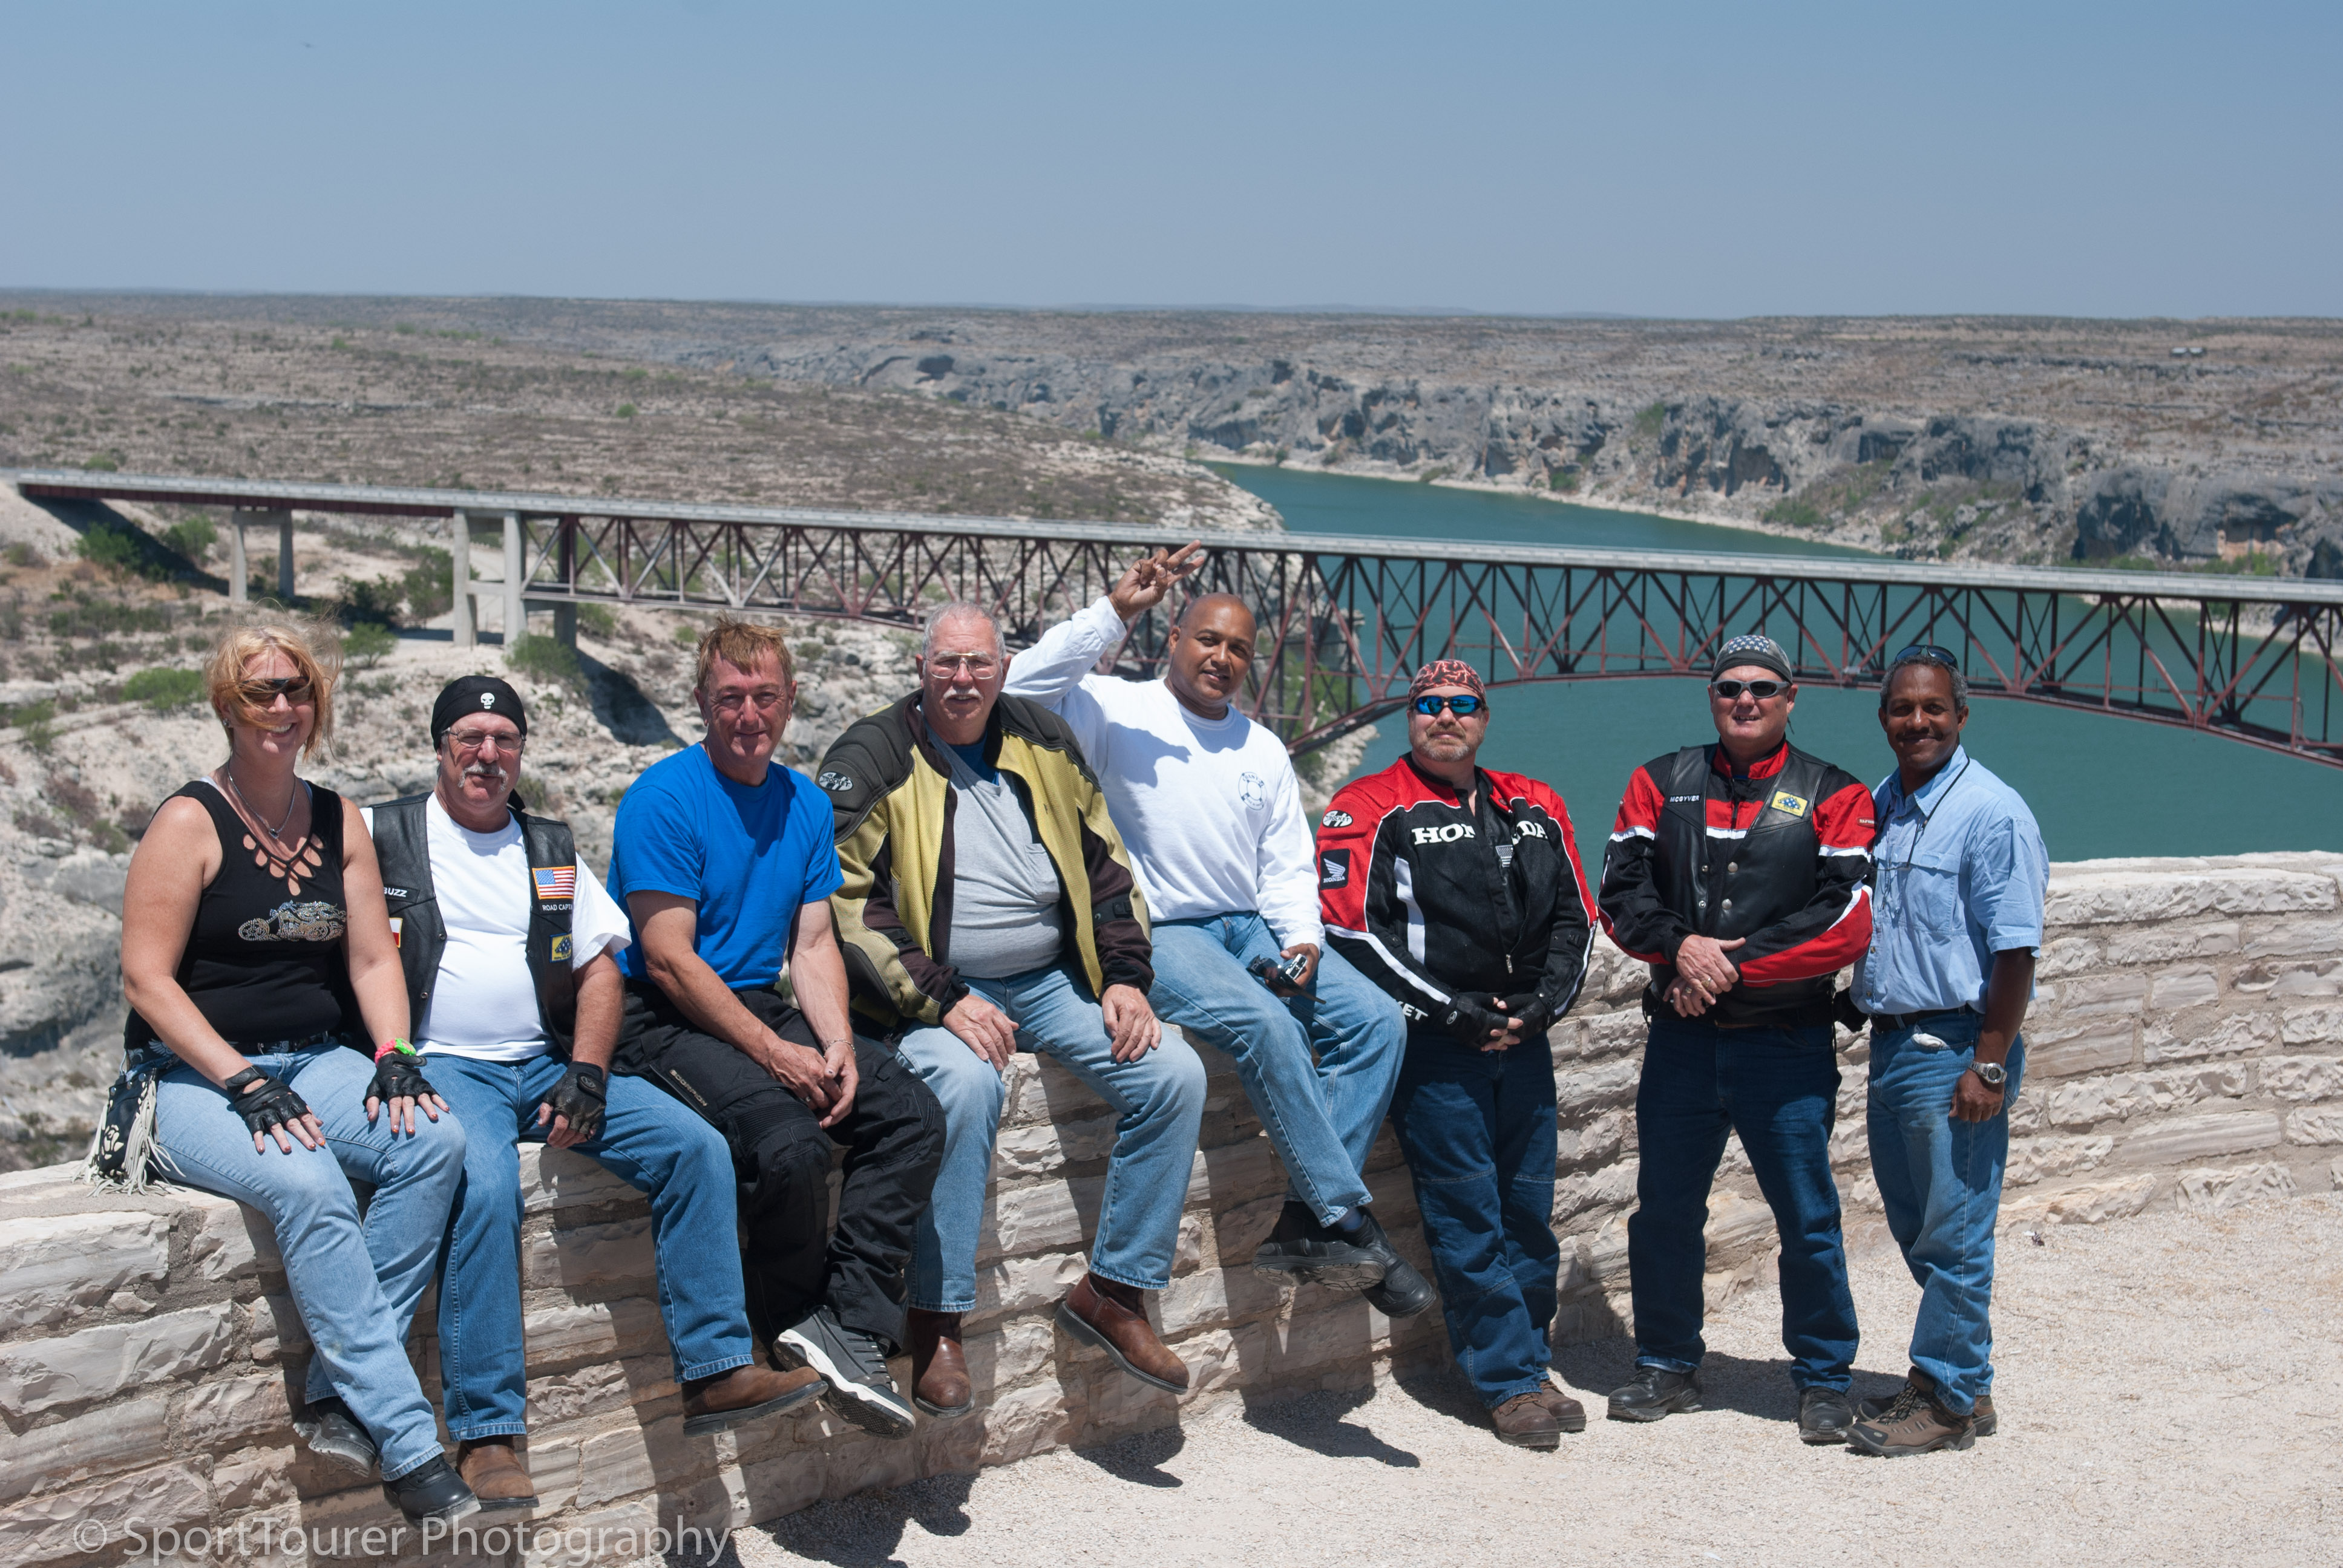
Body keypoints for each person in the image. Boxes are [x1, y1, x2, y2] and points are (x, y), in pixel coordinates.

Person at [366, 678, 827, 1510]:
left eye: (504, 739)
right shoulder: (387, 837)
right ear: (440, 746)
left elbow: (603, 967)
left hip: (543, 1058)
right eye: (470, 737)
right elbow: (352, 958)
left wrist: (585, 1069)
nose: (487, 755)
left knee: (695, 1148)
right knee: (485, 1183)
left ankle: (718, 1369)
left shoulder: (546, 848)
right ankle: (488, 1434)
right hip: (444, 1063)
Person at [113, 616, 477, 1526]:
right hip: (191, 1077)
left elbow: (370, 961)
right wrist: (242, 1080)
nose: (279, 706)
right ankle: (410, 1447)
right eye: (258, 691)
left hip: (316, 1059)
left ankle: (333, 1391)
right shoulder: (189, 821)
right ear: (225, 706)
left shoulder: (334, 817)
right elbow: (146, 980)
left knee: (435, 1140)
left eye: (294, 689)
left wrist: (394, 1056)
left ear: (315, 702)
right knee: (311, 1185)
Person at [1003, 553, 1431, 1316]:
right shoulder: (1108, 708)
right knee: (1265, 1026)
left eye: (1237, 649)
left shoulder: (1262, 748)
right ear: (1173, 639)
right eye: (1207, 640)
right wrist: (1113, 610)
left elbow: (1286, 866)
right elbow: (1015, 686)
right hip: (1158, 933)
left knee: (1375, 1023)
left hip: (1251, 929)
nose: (1221, 659)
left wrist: (1301, 941)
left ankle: (1309, 1219)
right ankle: (1346, 1217)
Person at [818, 602, 1206, 1414]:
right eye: (947, 664)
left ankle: (1115, 1291)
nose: (963, 680)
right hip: (933, 993)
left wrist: (1126, 976)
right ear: (921, 667)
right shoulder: (874, 755)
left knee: (1174, 1073)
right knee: (962, 1089)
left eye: (980, 665)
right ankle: (938, 1321)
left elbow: (1107, 863)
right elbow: (848, 906)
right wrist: (943, 998)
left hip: (1045, 980)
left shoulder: (1042, 737)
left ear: (1002, 668)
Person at [608, 616, 945, 1439]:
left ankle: (848, 1322)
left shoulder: (801, 802)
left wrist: (832, 1042)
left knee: (907, 1109)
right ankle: (787, 1323)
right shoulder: (665, 797)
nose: (748, 714)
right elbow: (668, 959)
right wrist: (774, 1054)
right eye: (730, 698)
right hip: (662, 1017)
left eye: (764, 697)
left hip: (760, 1001)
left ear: (791, 701)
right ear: (700, 703)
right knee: (787, 1143)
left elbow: (815, 938)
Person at [1596, 632, 1876, 1444]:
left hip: (1784, 1047)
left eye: (1762, 687)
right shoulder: (1660, 782)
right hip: (1682, 1045)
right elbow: (1618, 894)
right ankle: (1667, 1363)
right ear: (1712, 697)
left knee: (1808, 1219)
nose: (1744, 700)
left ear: (1791, 698)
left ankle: (1824, 1379)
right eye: (1729, 688)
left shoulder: (1836, 793)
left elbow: (1846, 920)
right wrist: (1681, 949)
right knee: (1665, 1213)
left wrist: (1724, 966)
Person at [1318, 661, 1598, 1449]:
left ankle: (1530, 1359)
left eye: (1463, 705)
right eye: (1429, 706)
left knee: (1528, 1217)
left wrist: (1545, 1007)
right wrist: (1453, 1013)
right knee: (1469, 1217)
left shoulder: (1536, 803)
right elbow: (1351, 933)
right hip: (1441, 1050)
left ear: (1484, 716)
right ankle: (1504, 1380)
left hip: (1527, 1042)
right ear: (1411, 718)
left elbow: (1576, 919)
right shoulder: (1366, 805)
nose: (1447, 717)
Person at [1844, 646, 2046, 1457]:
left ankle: (1946, 1400)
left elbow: (2017, 953)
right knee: (1921, 1226)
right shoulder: (1884, 803)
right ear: (1884, 717)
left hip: (1956, 1047)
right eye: (1902, 709)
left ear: (1962, 715)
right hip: (1894, 1046)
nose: (1917, 722)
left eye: (1934, 708)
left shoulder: (1994, 814)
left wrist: (1989, 1061)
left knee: (1956, 1229)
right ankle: (1970, 1378)